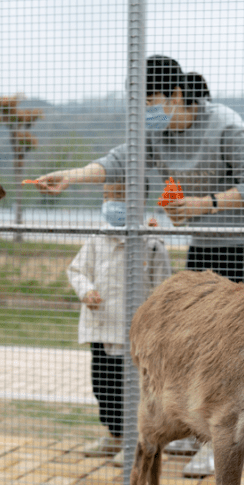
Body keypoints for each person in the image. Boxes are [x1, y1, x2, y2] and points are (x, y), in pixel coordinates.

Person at [36, 55, 244, 477]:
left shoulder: (224, 124)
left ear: (174, 95)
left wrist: (204, 204)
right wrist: (70, 176)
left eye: (148, 100)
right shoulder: (156, 134)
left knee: (233, 346)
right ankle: (197, 430)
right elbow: (117, 161)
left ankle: (224, 444)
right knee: (198, 340)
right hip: (205, 240)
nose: (142, 111)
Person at [68, 185, 172, 466]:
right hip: (102, 328)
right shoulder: (96, 239)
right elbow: (76, 269)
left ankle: (136, 442)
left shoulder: (151, 244)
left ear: (139, 200)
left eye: (119, 197)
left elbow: (163, 289)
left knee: (137, 390)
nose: (111, 203)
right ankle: (115, 436)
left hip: (135, 335)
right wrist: (85, 290)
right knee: (104, 386)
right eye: (106, 196)